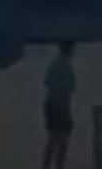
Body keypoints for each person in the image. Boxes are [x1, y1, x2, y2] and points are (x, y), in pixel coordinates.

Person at [42, 41, 76, 169]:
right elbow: (71, 87)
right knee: (64, 138)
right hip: (61, 104)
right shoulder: (68, 67)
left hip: (49, 103)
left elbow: (46, 83)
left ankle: (45, 165)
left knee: (52, 137)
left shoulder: (53, 65)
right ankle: (59, 165)